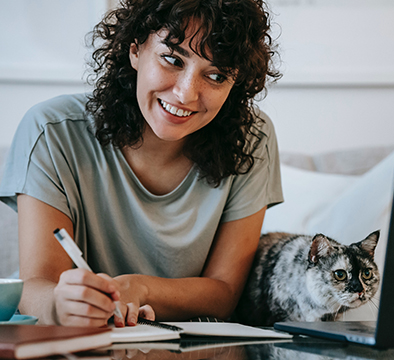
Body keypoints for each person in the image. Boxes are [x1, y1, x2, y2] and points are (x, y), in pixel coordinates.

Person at [0, 0, 282, 327]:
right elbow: (37, 286)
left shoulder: (252, 139)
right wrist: (60, 305)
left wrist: (140, 288)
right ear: (135, 50)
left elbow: (224, 292)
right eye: (172, 59)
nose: (186, 94)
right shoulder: (51, 132)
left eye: (216, 75)